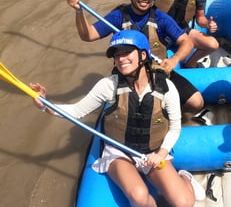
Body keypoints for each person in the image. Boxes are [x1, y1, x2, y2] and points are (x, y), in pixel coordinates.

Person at [29, 30, 205, 207]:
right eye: (116, 54)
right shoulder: (108, 85)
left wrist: (161, 153)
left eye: (126, 52)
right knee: (139, 197)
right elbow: (76, 111)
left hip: (152, 151)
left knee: (184, 203)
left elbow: (175, 126)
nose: (121, 59)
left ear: (143, 54)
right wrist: (45, 105)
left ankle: (185, 177)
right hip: (119, 152)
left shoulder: (166, 87)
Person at [65, 0, 204, 113]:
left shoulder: (161, 18)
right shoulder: (118, 16)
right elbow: (88, 35)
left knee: (196, 102)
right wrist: (79, 12)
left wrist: (174, 60)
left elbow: (187, 42)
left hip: (157, 72)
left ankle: (166, 115)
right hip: (127, 74)